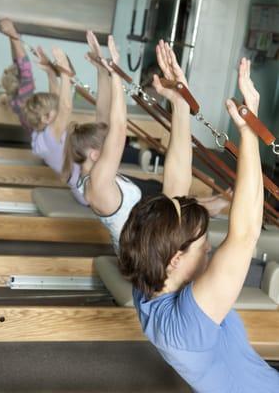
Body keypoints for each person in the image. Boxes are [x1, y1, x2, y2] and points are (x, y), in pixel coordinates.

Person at [119, 54, 279, 392]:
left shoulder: (150, 279)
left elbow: (174, 189)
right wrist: (249, 132)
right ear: (176, 258)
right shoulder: (187, 324)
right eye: (203, 245)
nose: (209, 249)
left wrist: (179, 105)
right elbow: (245, 233)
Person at [62, 33, 142, 253]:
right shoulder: (98, 181)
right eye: (106, 145)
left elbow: (104, 117)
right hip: (140, 257)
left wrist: (102, 69)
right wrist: (116, 72)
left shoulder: (90, 173)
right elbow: (119, 127)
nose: (112, 146)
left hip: (141, 244)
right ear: (96, 154)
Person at [0, 18, 86, 205]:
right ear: (47, 118)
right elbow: (64, 106)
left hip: (82, 183)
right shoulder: (49, 134)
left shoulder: (35, 122)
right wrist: (64, 72)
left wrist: (49, 72)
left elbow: (56, 103)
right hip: (87, 188)